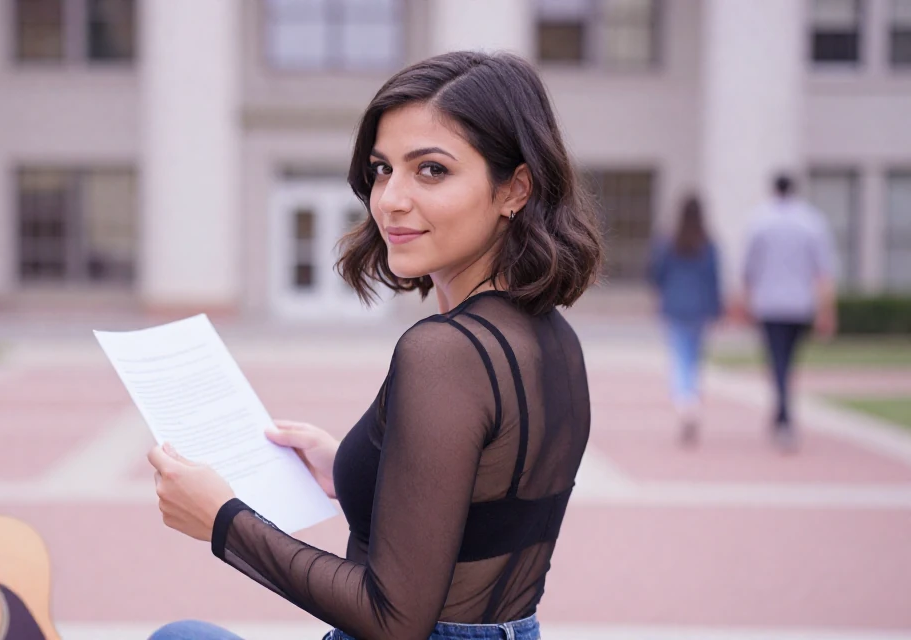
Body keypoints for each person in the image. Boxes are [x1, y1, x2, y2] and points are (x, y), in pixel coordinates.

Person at [144, 51, 604, 640]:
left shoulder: (446, 352)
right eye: (384, 169)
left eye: (431, 170)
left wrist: (221, 520)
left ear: (514, 188)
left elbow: (394, 621)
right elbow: (492, 510)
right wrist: (352, 469)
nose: (390, 199)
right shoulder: (553, 336)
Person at [741, 173, 838, 453]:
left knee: (777, 361)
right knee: (788, 361)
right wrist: (827, 310)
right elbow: (824, 271)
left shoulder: (760, 220)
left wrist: (746, 301)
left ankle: (782, 414)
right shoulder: (811, 221)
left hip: (769, 303)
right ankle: (782, 412)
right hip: (799, 304)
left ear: (773, 189)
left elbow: (748, 267)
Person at [647, 195, 723, 446]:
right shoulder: (708, 244)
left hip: (675, 305)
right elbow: (714, 278)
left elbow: (656, 273)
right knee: (693, 358)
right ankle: (692, 399)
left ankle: (685, 403)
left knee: (679, 356)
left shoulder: (668, 241)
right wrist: (717, 308)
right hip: (700, 307)